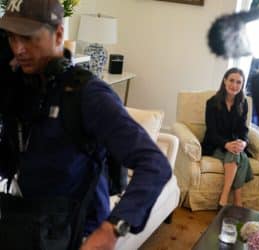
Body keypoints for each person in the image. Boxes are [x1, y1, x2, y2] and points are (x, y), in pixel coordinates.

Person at [0, 0, 171, 249]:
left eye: (28, 38)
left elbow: (155, 164)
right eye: (12, 38)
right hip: (28, 224)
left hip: (75, 233)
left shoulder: (88, 95)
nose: (19, 49)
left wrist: (112, 228)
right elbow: (13, 158)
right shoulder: (21, 89)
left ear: (58, 34)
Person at [201, 67, 253, 207]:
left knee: (237, 152)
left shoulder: (243, 103)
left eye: (238, 82)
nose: (234, 85)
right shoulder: (212, 103)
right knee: (239, 156)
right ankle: (234, 200)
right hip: (215, 145)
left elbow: (243, 129)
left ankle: (225, 201)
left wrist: (243, 142)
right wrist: (226, 144)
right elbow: (211, 132)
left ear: (242, 85)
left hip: (234, 145)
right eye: (231, 80)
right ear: (224, 80)